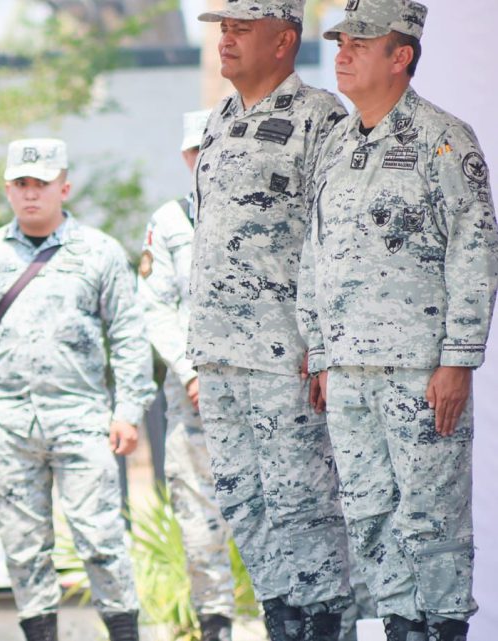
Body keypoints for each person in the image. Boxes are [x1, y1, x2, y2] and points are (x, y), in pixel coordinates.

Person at [298, 3, 497, 639]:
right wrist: (323, 355)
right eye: (340, 40)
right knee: (372, 521)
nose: (343, 51)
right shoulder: (334, 146)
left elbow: (475, 250)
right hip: (350, 375)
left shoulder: (445, 139)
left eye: (360, 40)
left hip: (419, 370)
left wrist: (459, 360)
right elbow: (315, 250)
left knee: (431, 524)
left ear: (400, 54)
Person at [0, 138, 155, 641]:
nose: (31, 194)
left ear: (65, 186)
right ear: (8, 189)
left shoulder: (98, 251)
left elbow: (128, 334)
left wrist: (128, 410)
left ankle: (125, 632)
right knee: (23, 547)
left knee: (101, 539)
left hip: (81, 418)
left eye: (41, 183)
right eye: (21, 184)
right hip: (7, 423)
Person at [187, 1, 353, 639]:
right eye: (222, 29)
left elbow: (332, 238)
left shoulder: (321, 118)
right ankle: (281, 621)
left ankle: (322, 626)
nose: (225, 41)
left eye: (240, 29)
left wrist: (323, 344)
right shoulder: (219, 120)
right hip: (219, 351)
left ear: (284, 41)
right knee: (244, 503)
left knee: (303, 505)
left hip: (287, 352)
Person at [138, 111, 236, 641]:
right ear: (186, 158)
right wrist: (191, 371)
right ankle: (215, 625)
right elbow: (154, 307)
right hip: (191, 400)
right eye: (199, 151)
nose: (208, 160)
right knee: (198, 524)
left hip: (261, 397)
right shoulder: (170, 221)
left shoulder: (265, 212)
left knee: (281, 519)